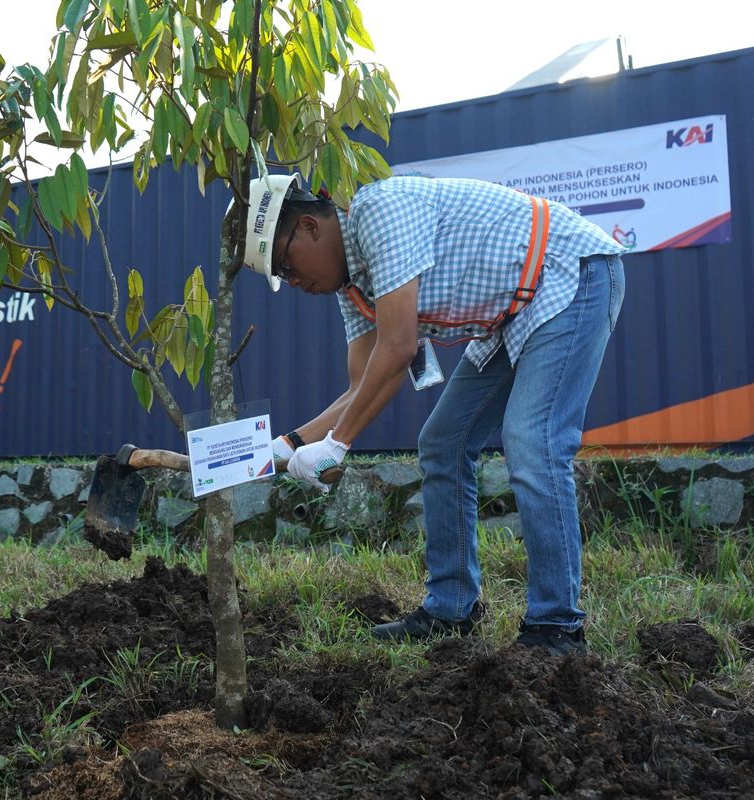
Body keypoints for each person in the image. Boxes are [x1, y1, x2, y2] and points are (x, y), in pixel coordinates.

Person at [236, 173, 625, 655]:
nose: (294, 283)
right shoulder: (352, 287)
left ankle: (557, 626)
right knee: (444, 443)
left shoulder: (377, 211)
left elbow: (398, 349)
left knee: (533, 441)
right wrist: (289, 444)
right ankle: (451, 607)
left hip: (568, 275)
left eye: (287, 266)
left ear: (311, 228)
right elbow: (363, 385)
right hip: (512, 314)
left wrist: (336, 446)